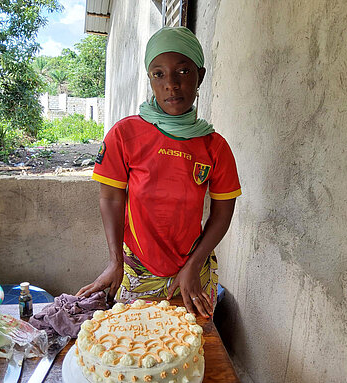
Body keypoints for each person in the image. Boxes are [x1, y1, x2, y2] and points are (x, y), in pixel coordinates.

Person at [76, 26, 241, 318]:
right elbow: (112, 199)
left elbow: (222, 214)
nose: (172, 85)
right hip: (138, 272)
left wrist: (192, 265)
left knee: (191, 351)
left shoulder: (215, 147)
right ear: (150, 79)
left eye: (183, 72)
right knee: (137, 350)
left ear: (199, 76)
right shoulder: (125, 135)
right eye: (159, 74)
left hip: (192, 275)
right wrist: (116, 262)